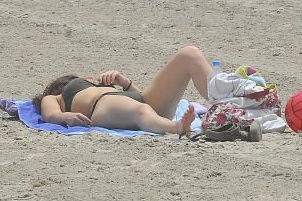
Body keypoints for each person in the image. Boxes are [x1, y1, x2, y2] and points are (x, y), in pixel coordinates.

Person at [32, 46, 211, 135]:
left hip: (141, 106)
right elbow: (50, 115)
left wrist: (125, 83)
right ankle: (177, 127)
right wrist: (65, 117)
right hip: (101, 107)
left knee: (188, 54)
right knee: (142, 111)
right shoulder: (56, 97)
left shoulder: (100, 88)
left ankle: (227, 99)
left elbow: (141, 99)